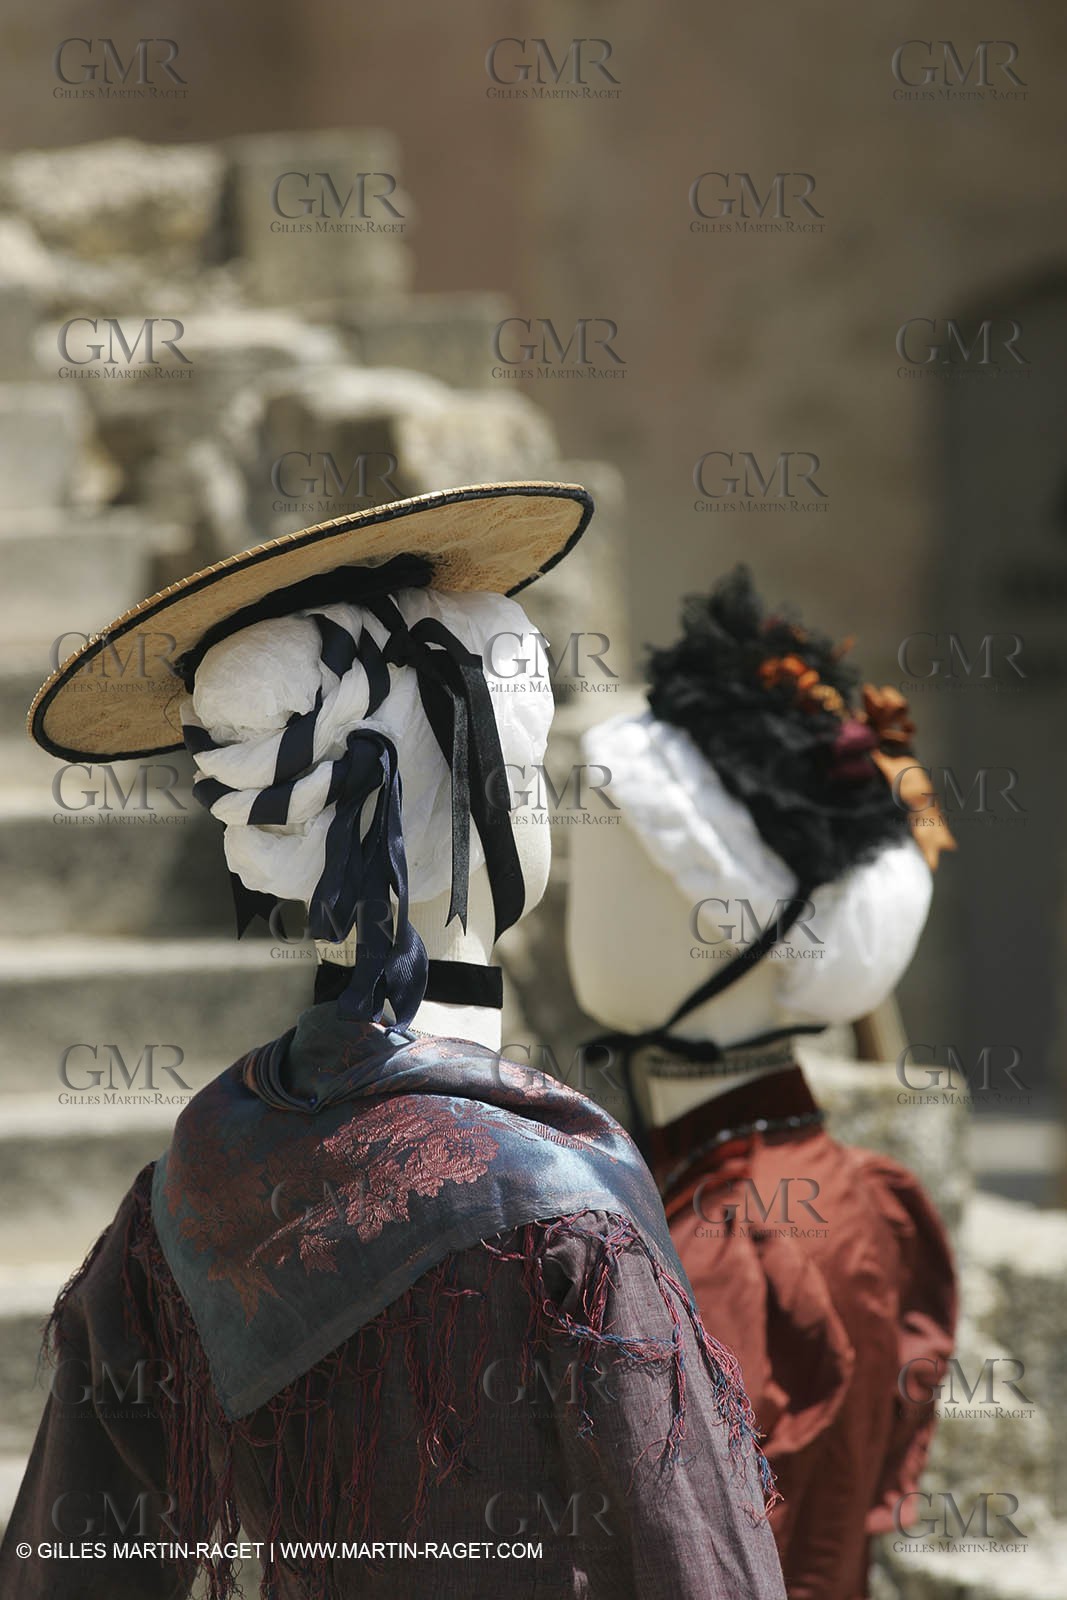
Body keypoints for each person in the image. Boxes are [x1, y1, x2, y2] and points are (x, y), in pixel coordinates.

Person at [3, 486, 785, 1600]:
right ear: (471, 792)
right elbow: (700, 1565)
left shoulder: (186, 1189)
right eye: (526, 767)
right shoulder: (560, 1215)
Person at [567, 566, 958, 1600]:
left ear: (738, 927)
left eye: (623, 857)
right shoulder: (846, 1195)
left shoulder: (738, 1254)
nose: (577, 886)